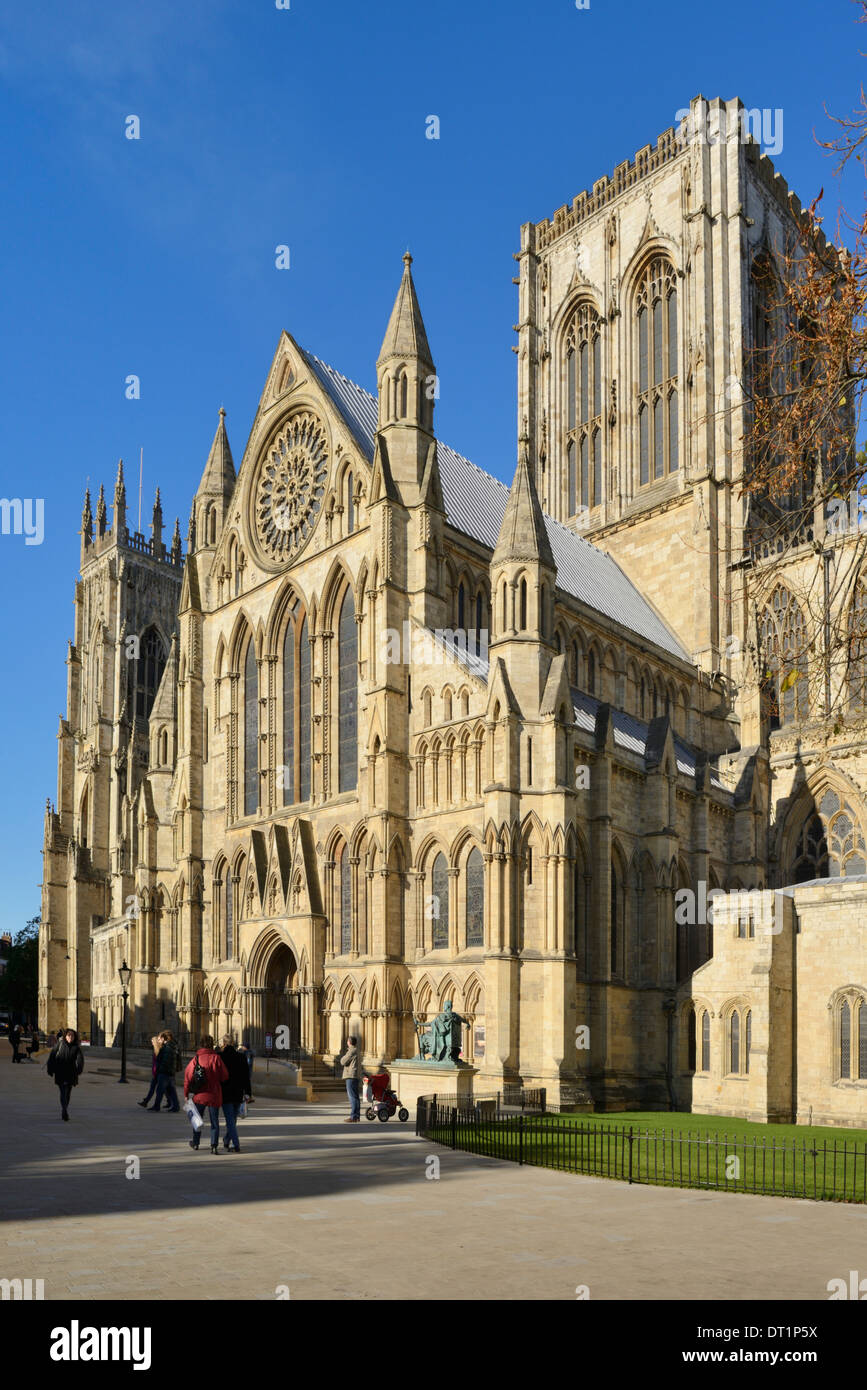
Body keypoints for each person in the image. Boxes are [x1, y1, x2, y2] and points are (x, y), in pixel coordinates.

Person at [183, 1035, 228, 1153]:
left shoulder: (196, 1058)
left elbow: (187, 1077)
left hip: (200, 1095)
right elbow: (225, 1076)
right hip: (214, 1094)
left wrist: (186, 1094)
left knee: (197, 1119)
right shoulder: (216, 1058)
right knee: (214, 1121)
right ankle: (214, 1145)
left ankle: (196, 1143)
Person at [218, 1036, 251, 1152]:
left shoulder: (220, 1057)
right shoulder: (241, 1057)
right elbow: (246, 1077)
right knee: (232, 1120)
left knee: (230, 1121)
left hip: (225, 1093)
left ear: (224, 1043)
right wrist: (248, 1093)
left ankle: (236, 1144)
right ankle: (227, 1140)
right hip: (238, 1093)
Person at [46, 1028, 84, 1120]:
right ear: (65, 1036)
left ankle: (64, 1109)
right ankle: (64, 1110)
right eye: (69, 1035)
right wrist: (50, 1069)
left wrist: (79, 1070)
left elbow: (80, 1060)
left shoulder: (76, 1048)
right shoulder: (59, 1045)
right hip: (60, 1072)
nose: (70, 1037)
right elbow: (52, 1057)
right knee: (63, 1091)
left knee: (68, 1093)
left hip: (71, 1073)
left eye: (72, 1035)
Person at [151, 1030, 181, 1112]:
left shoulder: (167, 1047)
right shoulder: (173, 1046)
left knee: (160, 1090)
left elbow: (165, 1061)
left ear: (164, 1038)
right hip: (170, 1072)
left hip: (165, 1072)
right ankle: (176, 1106)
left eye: (160, 1038)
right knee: (172, 1090)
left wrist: (160, 1069)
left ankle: (156, 1106)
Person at [340, 1035, 363, 1123]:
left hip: (351, 1076)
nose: (347, 1043)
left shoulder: (351, 1051)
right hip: (355, 1076)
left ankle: (354, 1117)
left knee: (352, 1097)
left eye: (347, 1041)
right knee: (356, 1097)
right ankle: (356, 1116)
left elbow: (342, 1061)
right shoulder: (357, 1050)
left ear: (349, 1042)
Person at [138, 1035, 163, 1108]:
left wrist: (155, 1072)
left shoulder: (158, 1051)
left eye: (152, 1041)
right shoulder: (155, 1050)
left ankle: (147, 1102)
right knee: (155, 1089)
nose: (151, 1043)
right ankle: (146, 1101)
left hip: (158, 1073)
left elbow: (157, 1063)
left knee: (159, 1089)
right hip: (156, 1072)